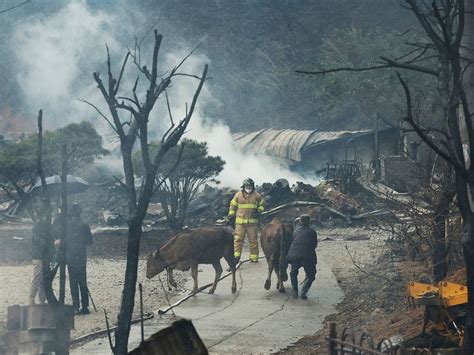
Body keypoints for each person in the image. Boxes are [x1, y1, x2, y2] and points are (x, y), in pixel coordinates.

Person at [227, 178, 265, 263]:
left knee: (253, 240)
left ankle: (254, 258)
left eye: (250, 186)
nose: (248, 188)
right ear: (243, 186)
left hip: (252, 223)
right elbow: (233, 205)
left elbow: (262, 204)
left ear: (253, 186)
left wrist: (259, 210)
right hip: (240, 223)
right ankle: (236, 258)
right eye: (247, 186)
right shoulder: (238, 195)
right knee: (238, 240)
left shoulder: (257, 195)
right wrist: (231, 213)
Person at [66, 204, 93, 315]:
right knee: (83, 282)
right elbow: (90, 242)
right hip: (81, 257)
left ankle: (76, 306)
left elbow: (64, 241)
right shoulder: (84, 225)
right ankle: (85, 307)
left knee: (73, 283)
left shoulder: (67, 226)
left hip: (71, 256)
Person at [287, 214, 318, 300]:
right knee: (311, 275)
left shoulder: (295, 231)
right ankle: (303, 292)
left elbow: (293, 242)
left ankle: (295, 292)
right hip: (308, 256)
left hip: (294, 256)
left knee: (293, 273)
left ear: (300, 221)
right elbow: (314, 245)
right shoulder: (312, 232)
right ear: (309, 221)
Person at [29, 202, 54, 305]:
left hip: (42, 255)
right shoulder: (39, 225)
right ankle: (32, 299)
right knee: (38, 277)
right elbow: (38, 239)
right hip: (39, 255)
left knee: (42, 278)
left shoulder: (43, 225)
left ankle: (41, 299)